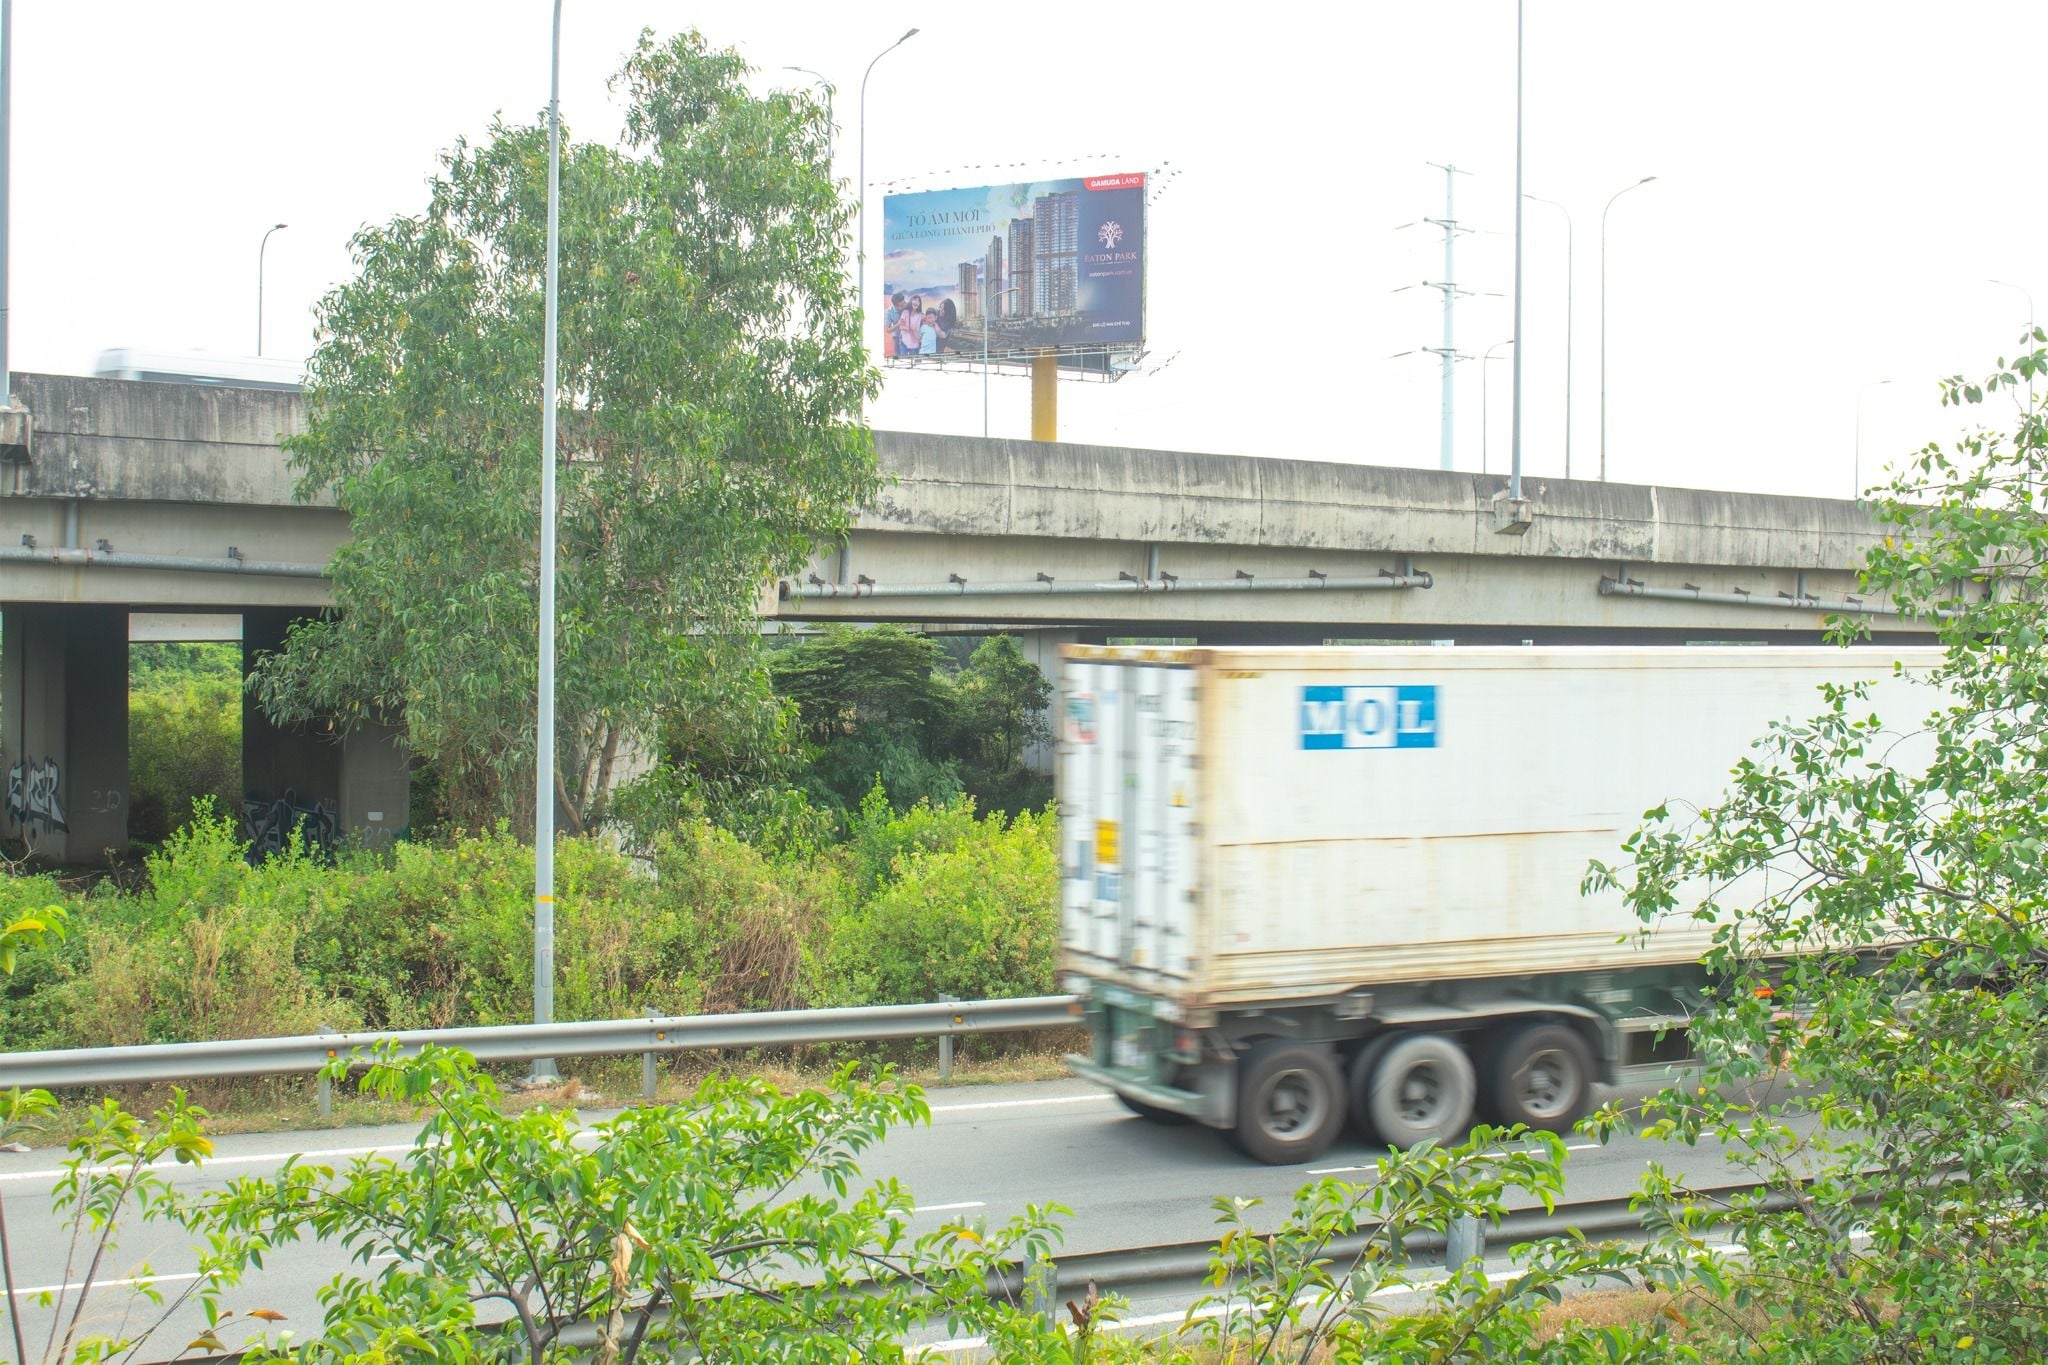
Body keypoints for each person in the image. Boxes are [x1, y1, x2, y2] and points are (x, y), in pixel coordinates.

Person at [883, 292, 904, 358]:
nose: (902, 307)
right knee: (898, 358)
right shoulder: (889, 312)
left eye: (902, 304)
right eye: (899, 306)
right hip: (897, 337)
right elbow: (887, 330)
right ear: (894, 305)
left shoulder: (907, 304)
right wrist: (898, 324)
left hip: (909, 337)